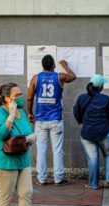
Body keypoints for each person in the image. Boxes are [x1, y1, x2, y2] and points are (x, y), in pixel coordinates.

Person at [0, 83, 44, 206]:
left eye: (21, 94)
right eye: (16, 96)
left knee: (26, 194)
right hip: (5, 161)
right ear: (7, 98)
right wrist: (11, 115)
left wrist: (30, 139)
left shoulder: (21, 111)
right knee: (6, 196)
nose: (20, 98)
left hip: (23, 159)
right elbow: (1, 134)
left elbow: (24, 132)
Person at [27, 55, 76, 186]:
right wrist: (65, 65)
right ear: (53, 65)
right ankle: (58, 178)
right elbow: (73, 76)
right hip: (56, 120)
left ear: (42, 65)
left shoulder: (35, 78)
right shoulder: (60, 76)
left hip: (41, 120)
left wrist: (30, 113)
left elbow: (30, 98)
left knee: (41, 150)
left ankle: (41, 178)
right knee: (57, 150)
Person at [73, 74, 109, 190]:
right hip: (104, 132)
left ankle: (93, 184)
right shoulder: (105, 98)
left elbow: (76, 112)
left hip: (87, 133)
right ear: (101, 86)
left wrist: (82, 122)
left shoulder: (82, 98)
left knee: (93, 160)